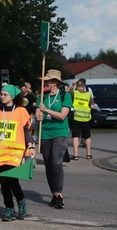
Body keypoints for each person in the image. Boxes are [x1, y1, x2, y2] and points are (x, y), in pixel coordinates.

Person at [0, 84, 35, 221]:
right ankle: (9, 208)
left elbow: (26, 130)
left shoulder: (21, 111)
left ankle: (21, 201)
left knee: (12, 179)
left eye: (5, 95)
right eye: (1, 94)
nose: (2, 97)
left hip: (15, 151)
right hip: (0, 150)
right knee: (3, 182)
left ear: (12, 97)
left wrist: (31, 146)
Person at [35, 69, 72, 209]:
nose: (45, 83)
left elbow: (63, 116)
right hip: (45, 133)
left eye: (48, 81)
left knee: (56, 162)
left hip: (60, 132)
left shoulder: (65, 96)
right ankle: (54, 193)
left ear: (54, 82)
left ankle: (59, 195)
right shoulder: (42, 96)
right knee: (49, 164)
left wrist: (47, 111)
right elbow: (38, 115)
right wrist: (38, 117)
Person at [68, 78, 94, 160]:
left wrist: (71, 86)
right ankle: (88, 154)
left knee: (75, 136)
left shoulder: (74, 93)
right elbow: (92, 106)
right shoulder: (88, 94)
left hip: (76, 118)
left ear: (76, 85)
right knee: (87, 136)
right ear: (84, 86)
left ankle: (76, 155)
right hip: (86, 118)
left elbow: (66, 92)